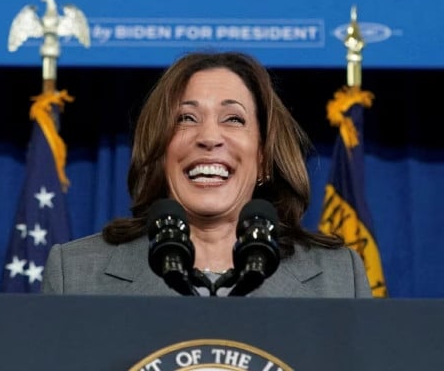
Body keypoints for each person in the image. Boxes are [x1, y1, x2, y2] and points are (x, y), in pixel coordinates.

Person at [41, 51, 372, 297]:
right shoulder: (76, 276)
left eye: (233, 119)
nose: (209, 137)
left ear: (264, 157)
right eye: (186, 118)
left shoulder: (338, 279)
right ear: (160, 152)